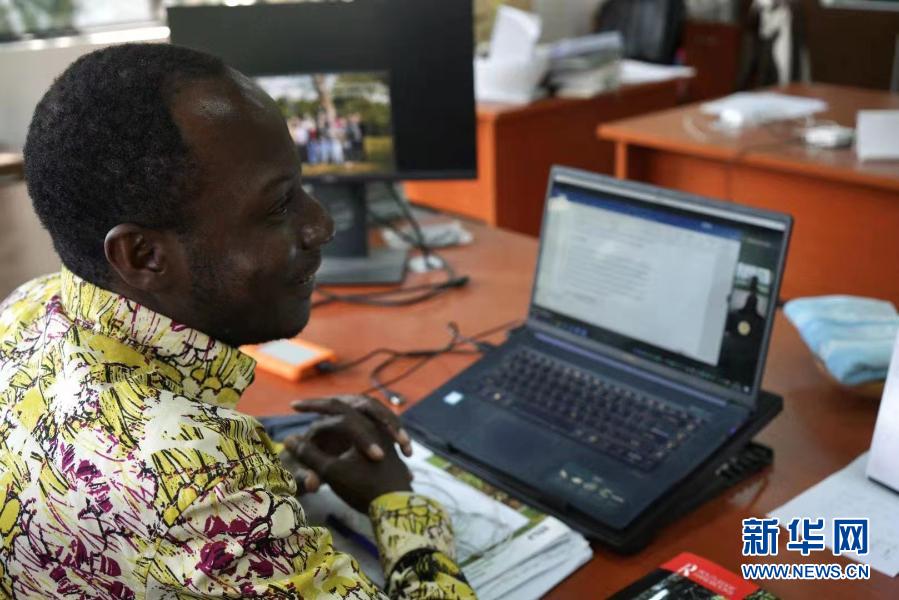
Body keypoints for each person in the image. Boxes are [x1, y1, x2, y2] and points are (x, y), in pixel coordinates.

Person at [0, 43, 475, 599]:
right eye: (277, 206)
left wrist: (277, 463)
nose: (321, 225)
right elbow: (177, 494)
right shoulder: (197, 483)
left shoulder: (27, 307)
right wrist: (397, 502)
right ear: (144, 256)